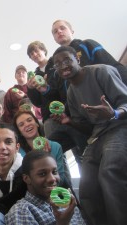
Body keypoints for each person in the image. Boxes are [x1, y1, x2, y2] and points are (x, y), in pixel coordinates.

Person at [52, 45, 127, 225]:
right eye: (57, 64)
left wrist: (114, 113)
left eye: (67, 60)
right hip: (97, 136)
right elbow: (87, 127)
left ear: (78, 59)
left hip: (119, 127)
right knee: (87, 188)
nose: (63, 66)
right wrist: (69, 122)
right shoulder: (70, 91)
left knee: (109, 171)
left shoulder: (102, 72)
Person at [26, 40, 88, 170]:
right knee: (55, 156)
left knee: (81, 153)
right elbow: (37, 102)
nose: (35, 54)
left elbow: (64, 90)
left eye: (36, 50)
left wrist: (47, 88)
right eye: (32, 53)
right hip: (49, 118)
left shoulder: (57, 64)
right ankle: (64, 187)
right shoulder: (34, 76)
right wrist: (31, 89)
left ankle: (88, 181)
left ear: (43, 50)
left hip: (69, 112)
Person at [5, 150, 85, 225]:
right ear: (27, 178)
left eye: (54, 172)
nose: (52, 178)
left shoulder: (69, 206)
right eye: (42, 174)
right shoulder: (21, 211)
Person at [51, 19, 127, 84]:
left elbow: (113, 65)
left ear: (71, 31)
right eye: (55, 31)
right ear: (54, 39)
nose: (59, 31)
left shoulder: (87, 44)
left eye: (62, 28)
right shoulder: (57, 63)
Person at [13, 109, 69, 188]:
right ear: (20, 132)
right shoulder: (18, 153)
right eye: (21, 124)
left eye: (29, 120)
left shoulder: (55, 146)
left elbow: (61, 179)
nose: (27, 125)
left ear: (37, 123)